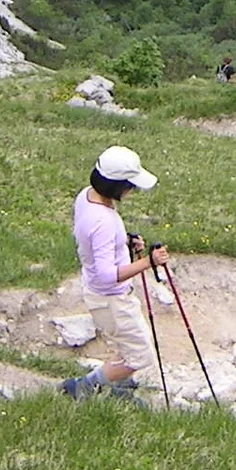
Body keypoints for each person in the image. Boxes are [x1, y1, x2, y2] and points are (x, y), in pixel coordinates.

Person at [63, 146, 169, 400]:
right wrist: (149, 263)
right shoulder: (103, 222)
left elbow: (98, 245)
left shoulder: (87, 196)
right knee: (139, 355)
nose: (131, 190)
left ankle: (120, 390)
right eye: (129, 185)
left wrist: (124, 244)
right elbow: (106, 275)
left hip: (102, 295)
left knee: (127, 344)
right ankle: (84, 387)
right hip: (111, 299)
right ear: (116, 186)